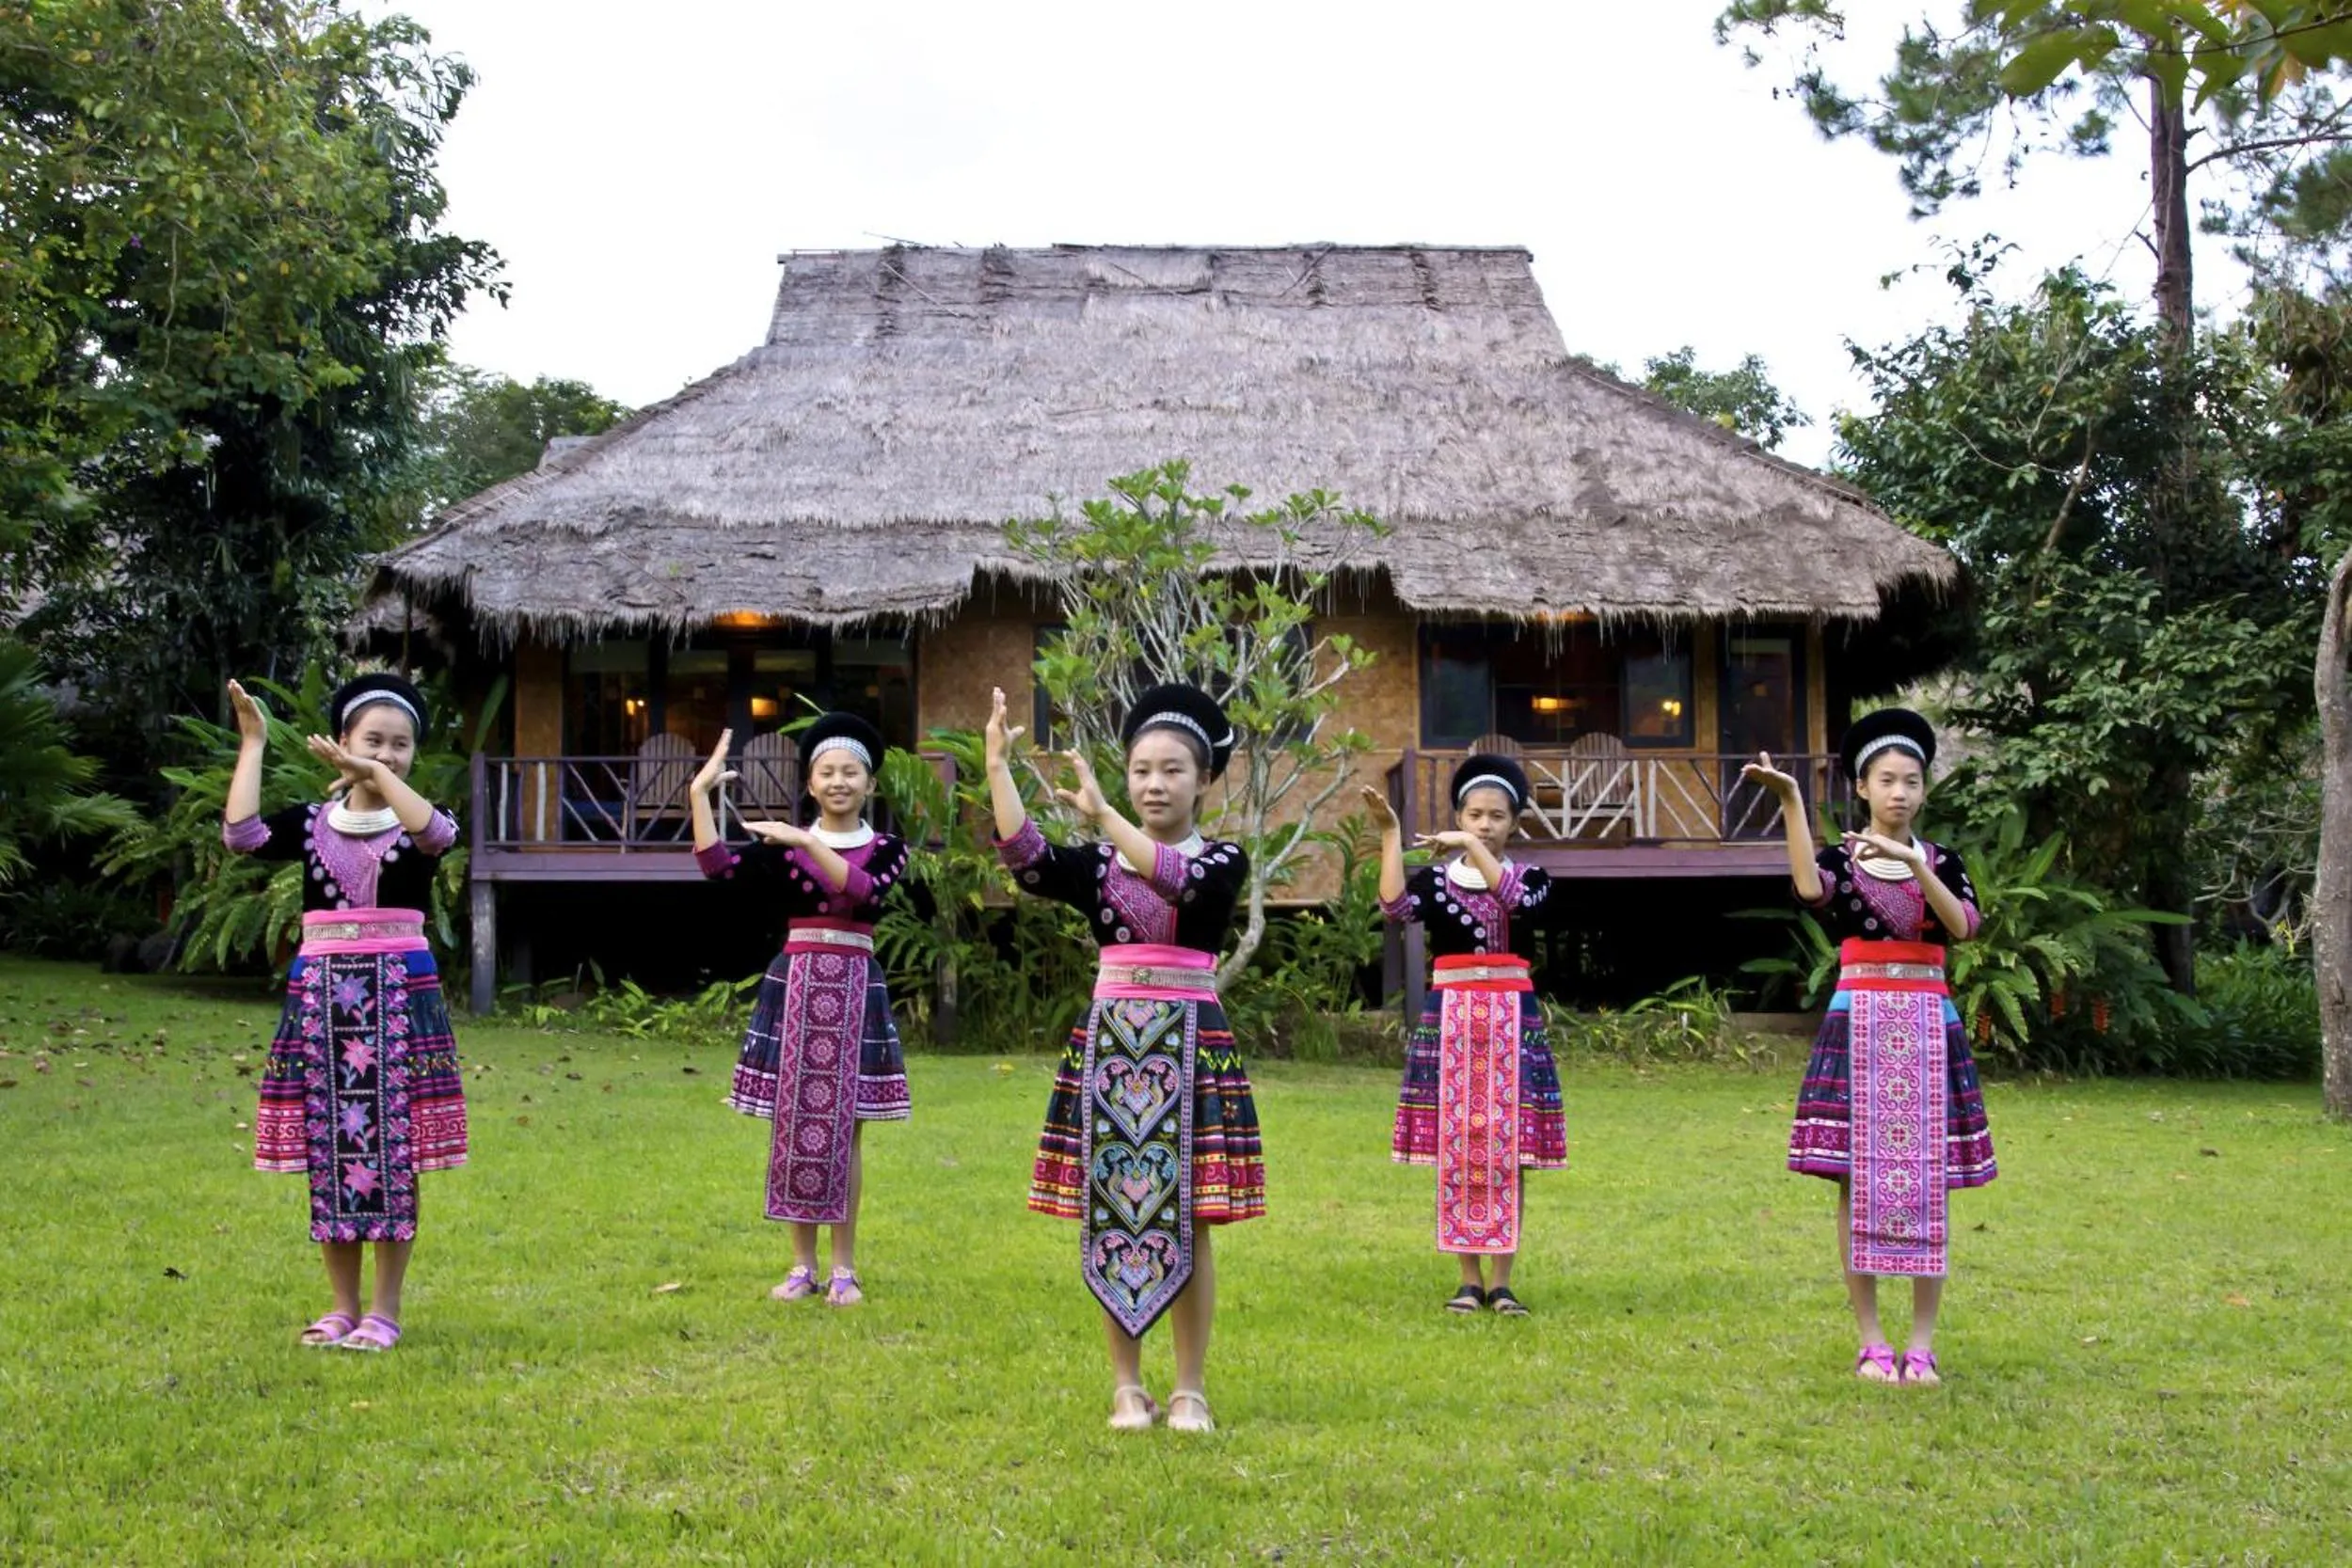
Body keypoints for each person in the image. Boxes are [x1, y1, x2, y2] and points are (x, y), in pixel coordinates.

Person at [984, 682, 1263, 1433]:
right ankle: (1127, 1387)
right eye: (1141, 770)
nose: (1153, 784)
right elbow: (1030, 863)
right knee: (1114, 1210)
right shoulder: (1100, 864)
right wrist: (998, 767)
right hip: (1113, 1042)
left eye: (1171, 770)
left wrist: (1105, 813)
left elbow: (1182, 883)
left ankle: (1191, 1389)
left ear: (1204, 780)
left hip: (1189, 1040)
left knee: (1191, 1218)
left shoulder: (1223, 858)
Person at [1743, 709, 1997, 1386]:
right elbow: (1807, 888)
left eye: (1911, 781)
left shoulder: (1943, 861)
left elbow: (1964, 927)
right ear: (1862, 787)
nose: (1900, 792)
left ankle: (1922, 1342)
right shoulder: (1839, 861)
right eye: (1886, 780)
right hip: (1860, 1022)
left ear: (1923, 790)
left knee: (1928, 1180)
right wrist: (1792, 802)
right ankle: (1871, 1339)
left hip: (1926, 1022)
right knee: (1857, 1181)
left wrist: (1917, 865)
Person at [224, 673, 467, 1353]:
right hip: (323, 997)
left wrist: (377, 777)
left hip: (398, 996)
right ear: (342, 742)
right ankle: (340, 1307)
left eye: (401, 744)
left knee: (394, 1151)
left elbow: (435, 832)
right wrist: (254, 743)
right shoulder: (310, 822)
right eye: (373, 741)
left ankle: (384, 1310)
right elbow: (241, 835)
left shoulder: (421, 817)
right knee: (332, 1145)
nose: (388, 753)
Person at [690, 714, 911, 1307]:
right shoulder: (784, 849)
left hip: (854, 985)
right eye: (827, 772)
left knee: (846, 1134)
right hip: (797, 983)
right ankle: (801, 1266)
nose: (839, 781)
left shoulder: (886, 848)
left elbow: (861, 892)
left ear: (869, 784)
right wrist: (699, 794)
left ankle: (844, 1268)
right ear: (811, 785)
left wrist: (806, 840)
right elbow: (718, 868)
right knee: (795, 1126)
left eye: (851, 772)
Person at [1363, 756, 1567, 1316]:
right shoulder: (1436, 879)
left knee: (1509, 1147)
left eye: (1495, 816)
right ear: (1459, 814)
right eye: (1473, 815)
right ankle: (1468, 1280)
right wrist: (1389, 835)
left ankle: (1502, 1280)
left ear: (1514, 822)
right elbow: (1394, 908)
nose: (1483, 824)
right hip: (1451, 1014)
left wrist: (1468, 846)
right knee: (1458, 1145)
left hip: (1511, 1017)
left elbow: (1514, 902)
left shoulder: (1532, 879)